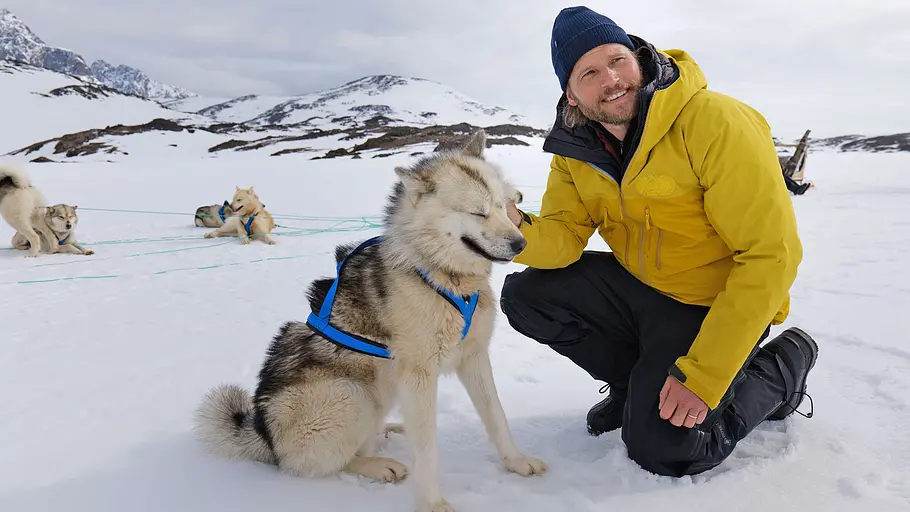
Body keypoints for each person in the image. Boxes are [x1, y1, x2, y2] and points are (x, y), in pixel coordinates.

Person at [499, 6, 819, 478]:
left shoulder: (715, 122)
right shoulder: (577, 148)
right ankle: (635, 384)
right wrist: (511, 226)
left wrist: (705, 378)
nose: (611, 79)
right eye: (589, 72)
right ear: (571, 92)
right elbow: (562, 238)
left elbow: (771, 256)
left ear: (639, 58)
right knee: (527, 296)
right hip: (645, 292)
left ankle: (783, 367)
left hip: (714, 306)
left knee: (666, 449)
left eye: (617, 59)